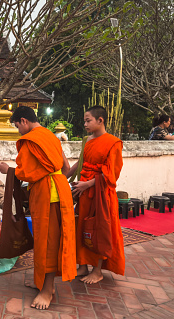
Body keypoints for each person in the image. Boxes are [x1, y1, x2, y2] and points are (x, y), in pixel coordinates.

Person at [0, 106, 76, 310]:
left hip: (48, 195)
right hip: (59, 190)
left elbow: (26, 173)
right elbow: (65, 168)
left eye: (17, 126)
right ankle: (41, 281)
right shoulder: (51, 137)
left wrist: (9, 171)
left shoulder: (31, 140)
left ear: (24, 121)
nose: (18, 131)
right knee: (43, 240)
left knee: (48, 242)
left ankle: (47, 290)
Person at [67, 105, 125, 285]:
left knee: (100, 229)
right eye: (84, 121)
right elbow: (81, 162)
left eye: (88, 120)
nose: (85, 124)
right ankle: (83, 265)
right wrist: (64, 176)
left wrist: (88, 183)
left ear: (100, 120)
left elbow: (111, 173)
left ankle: (98, 270)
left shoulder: (113, 143)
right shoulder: (87, 140)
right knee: (83, 228)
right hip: (84, 191)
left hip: (101, 193)